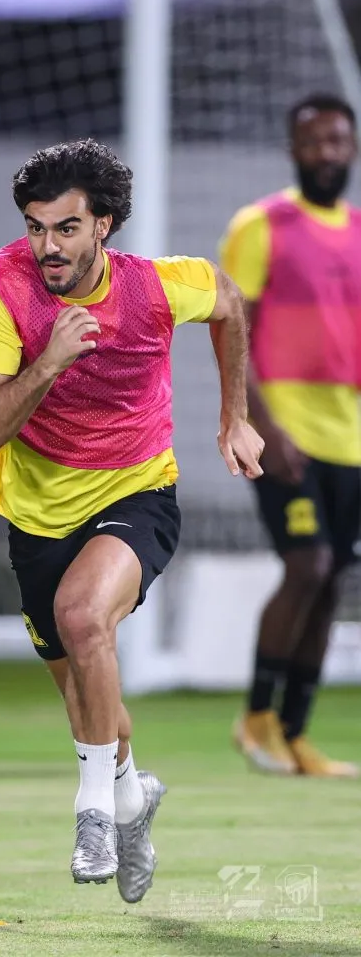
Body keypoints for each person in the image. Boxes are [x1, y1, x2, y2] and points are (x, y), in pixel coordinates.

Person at [0, 140, 263, 898]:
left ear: (104, 225)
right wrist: (50, 360)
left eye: (65, 229)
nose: (47, 247)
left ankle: (93, 810)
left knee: (83, 617)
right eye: (35, 228)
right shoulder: (1, 288)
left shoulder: (158, 288)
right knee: (93, 704)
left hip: (136, 493)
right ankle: (131, 796)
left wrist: (234, 416)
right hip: (36, 518)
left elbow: (228, 301)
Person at [220, 93, 360, 779]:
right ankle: (255, 719)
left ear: (353, 148)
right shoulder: (262, 225)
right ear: (292, 149)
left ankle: (297, 734)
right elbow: (231, 328)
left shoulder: (359, 231)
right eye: (314, 142)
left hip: (350, 438)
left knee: (332, 581)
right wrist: (257, 423)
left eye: (338, 141)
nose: (327, 153)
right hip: (288, 431)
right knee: (306, 565)